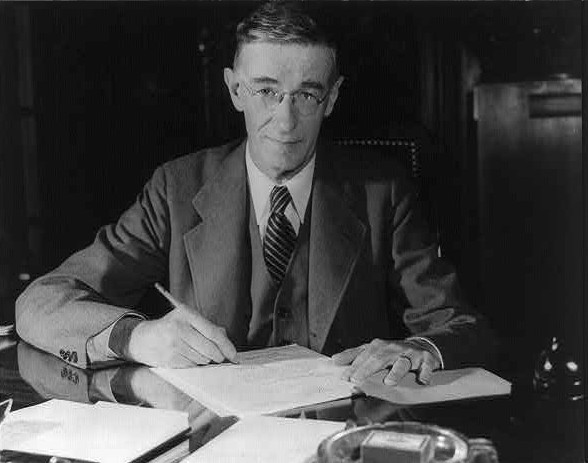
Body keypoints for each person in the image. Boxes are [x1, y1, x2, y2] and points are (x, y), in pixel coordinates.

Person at [16, 1, 494, 386]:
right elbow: (40, 302)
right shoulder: (175, 190)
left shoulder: (384, 193)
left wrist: (419, 349)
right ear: (234, 90)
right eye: (266, 91)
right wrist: (136, 337)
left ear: (331, 98)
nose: (285, 122)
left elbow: (462, 326)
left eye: (307, 95)